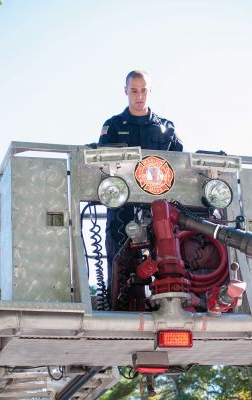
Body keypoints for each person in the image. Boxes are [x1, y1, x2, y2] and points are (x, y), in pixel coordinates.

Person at [98, 70, 183, 304]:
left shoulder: (167, 128)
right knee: (119, 266)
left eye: (143, 90)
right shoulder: (113, 126)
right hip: (122, 211)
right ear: (125, 91)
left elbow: (180, 167)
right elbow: (102, 164)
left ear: (150, 90)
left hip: (161, 212)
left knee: (168, 261)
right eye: (134, 90)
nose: (139, 95)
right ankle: (119, 310)